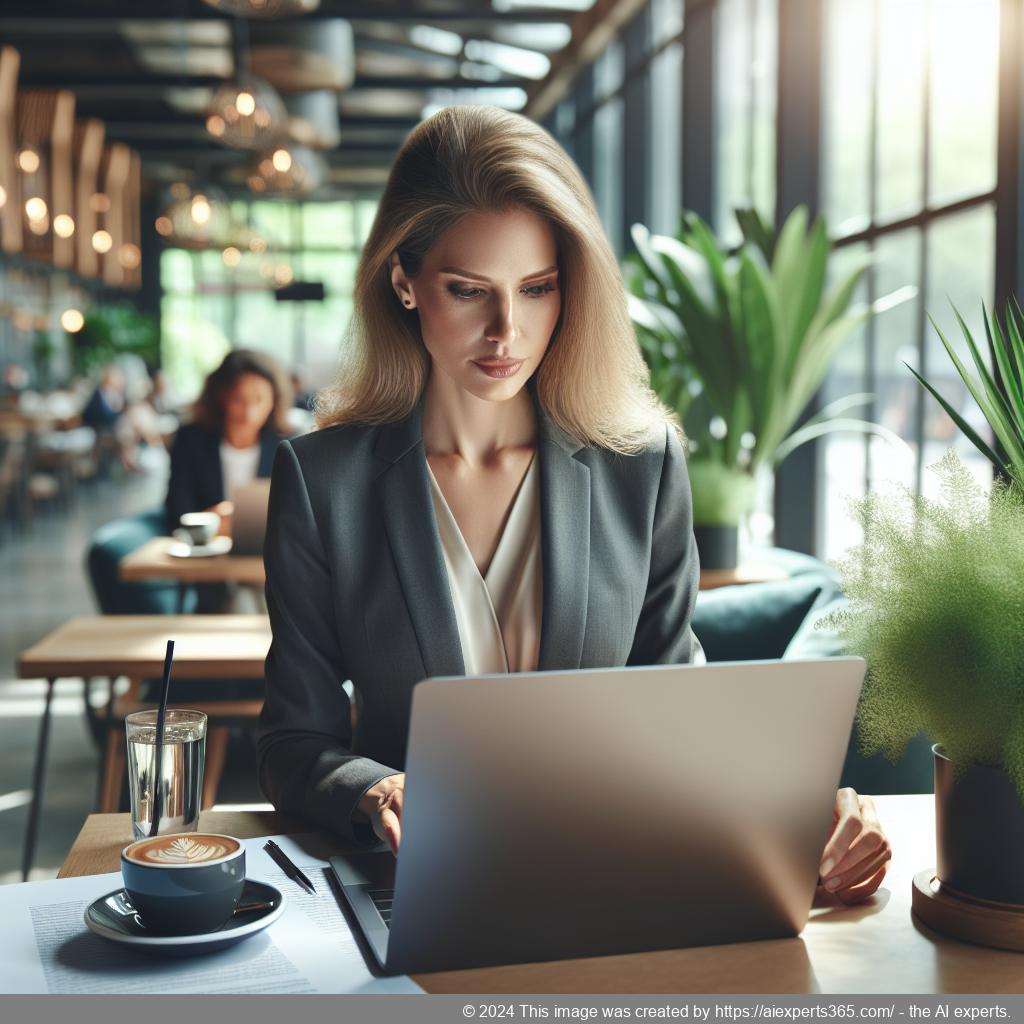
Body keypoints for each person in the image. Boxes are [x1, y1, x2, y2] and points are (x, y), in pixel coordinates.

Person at [258, 105, 890, 905]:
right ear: (404, 282)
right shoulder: (323, 482)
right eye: (468, 291)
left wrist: (801, 812)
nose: (506, 332)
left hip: (613, 888)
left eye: (537, 288)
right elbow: (292, 743)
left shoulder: (644, 465)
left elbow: (677, 712)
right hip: (413, 895)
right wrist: (377, 790)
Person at [164, 348, 293, 533]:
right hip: (205, 552)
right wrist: (212, 519)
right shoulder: (190, 440)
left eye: (259, 400)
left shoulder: (288, 446)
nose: (249, 414)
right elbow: (177, 513)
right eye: (238, 400)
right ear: (221, 397)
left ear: (275, 400)